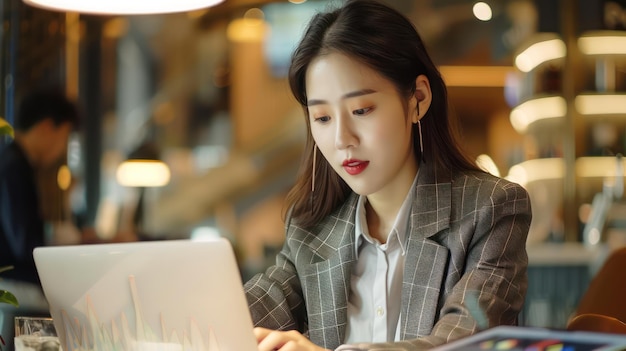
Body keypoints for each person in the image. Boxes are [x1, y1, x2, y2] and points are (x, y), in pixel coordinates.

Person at [244, 1, 532, 350]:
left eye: (361, 110)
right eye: (322, 118)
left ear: (418, 99)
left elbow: (462, 343)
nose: (341, 140)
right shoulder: (312, 230)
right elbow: (240, 314)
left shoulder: (490, 210)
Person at [0, 89, 79, 286]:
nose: (63, 148)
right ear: (46, 127)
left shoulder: (13, 160)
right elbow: (25, 244)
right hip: (13, 285)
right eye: (64, 137)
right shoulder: (14, 165)